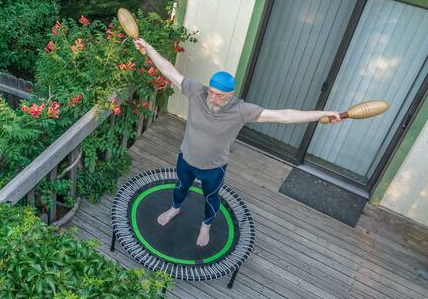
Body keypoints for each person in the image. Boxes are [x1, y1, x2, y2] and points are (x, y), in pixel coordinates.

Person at [133, 38, 343, 247]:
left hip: (214, 168)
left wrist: (322, 114)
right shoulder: (197, 92)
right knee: (180, 187)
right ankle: (175, 208)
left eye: (220, 96)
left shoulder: (241, 110)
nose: (214, 98)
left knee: (211, 198)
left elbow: (284, 115)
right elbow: (169, 71)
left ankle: (206, 225)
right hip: (186, 157)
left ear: (231, 95)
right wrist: (149, 47)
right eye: (212, 93)